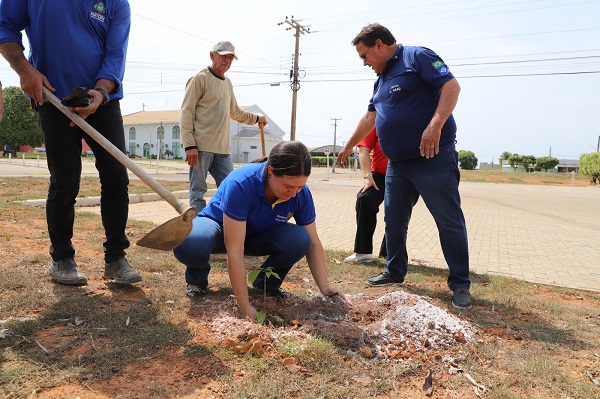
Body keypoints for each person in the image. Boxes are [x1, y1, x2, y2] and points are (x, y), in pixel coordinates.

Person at [0, 0, 141, 286]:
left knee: (116, 177)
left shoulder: (116, 3)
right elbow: (5, 27)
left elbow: (115, 55)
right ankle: (61, 257)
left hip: (101, 99)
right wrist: (24, 70)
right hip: (51, 96)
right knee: (65, 180)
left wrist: (100, 92)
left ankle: (116, 258)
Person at [337, 23, 472, 309]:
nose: (364, 63)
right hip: (397, 165)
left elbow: (452, 85)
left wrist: (435, 125)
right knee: (393, 220)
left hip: (432, 158)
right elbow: (371, 116)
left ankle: (460, 284)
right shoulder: (381, 79)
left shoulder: (416, 57)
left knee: (448, 221)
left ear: (379, 45)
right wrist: (349, 145)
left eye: (365, 56)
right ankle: (394, 271)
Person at [173, 141, 350, 321]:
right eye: (288, 186)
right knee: (189, 242)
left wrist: (325, 287)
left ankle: (267, 284)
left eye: (300, 187)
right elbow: (235, 249)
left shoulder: (300, 194)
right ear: (271, 171)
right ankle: (197, 278)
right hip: (219, 228)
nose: (294, 193)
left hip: (258, 234)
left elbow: (313, 244)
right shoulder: (241, 183)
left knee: (301, 239)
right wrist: (244, 306)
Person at [180, 41, 268, 213]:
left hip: (222, 149)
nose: (227, 61)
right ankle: (198, 230)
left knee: (231, 188)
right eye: (223, 56)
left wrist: (256, 118)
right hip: (201, 147)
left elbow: (235, 112)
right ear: (212, 55)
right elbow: (186, 112)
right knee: (198, 192)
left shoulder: (227, 83)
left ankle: (225, 221)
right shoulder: (200, 78)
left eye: (230, 58)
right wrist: (189, 145)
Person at [344, 127, 388, 263]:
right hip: (378, 175)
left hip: (403, 175)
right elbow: (364, 149)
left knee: (397, 211)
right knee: (365, 199)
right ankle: (363, 252)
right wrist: (367, 176)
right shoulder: (377, 121)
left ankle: (389, 253)